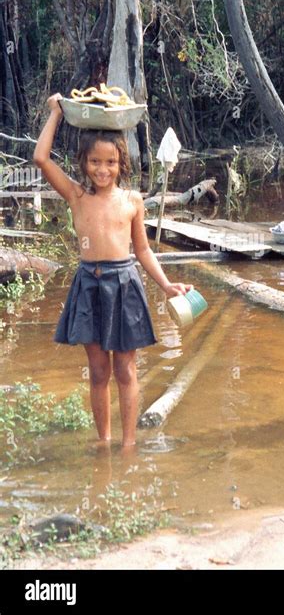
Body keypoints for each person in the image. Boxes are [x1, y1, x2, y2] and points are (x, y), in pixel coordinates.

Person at [34, 93, 192, 447]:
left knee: (125, 369)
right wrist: (56, 113)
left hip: (125, 284)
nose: (102, 170)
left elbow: (144, 250)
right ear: (83, 162)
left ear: (122, 163)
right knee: (99, 371)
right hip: (89, 284)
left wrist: (167, 286)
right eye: (94, 161)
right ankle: (104, 440)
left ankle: (128, 444)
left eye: (110, 162)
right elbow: (40, 158)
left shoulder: (132, 201)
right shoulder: (77, 196)